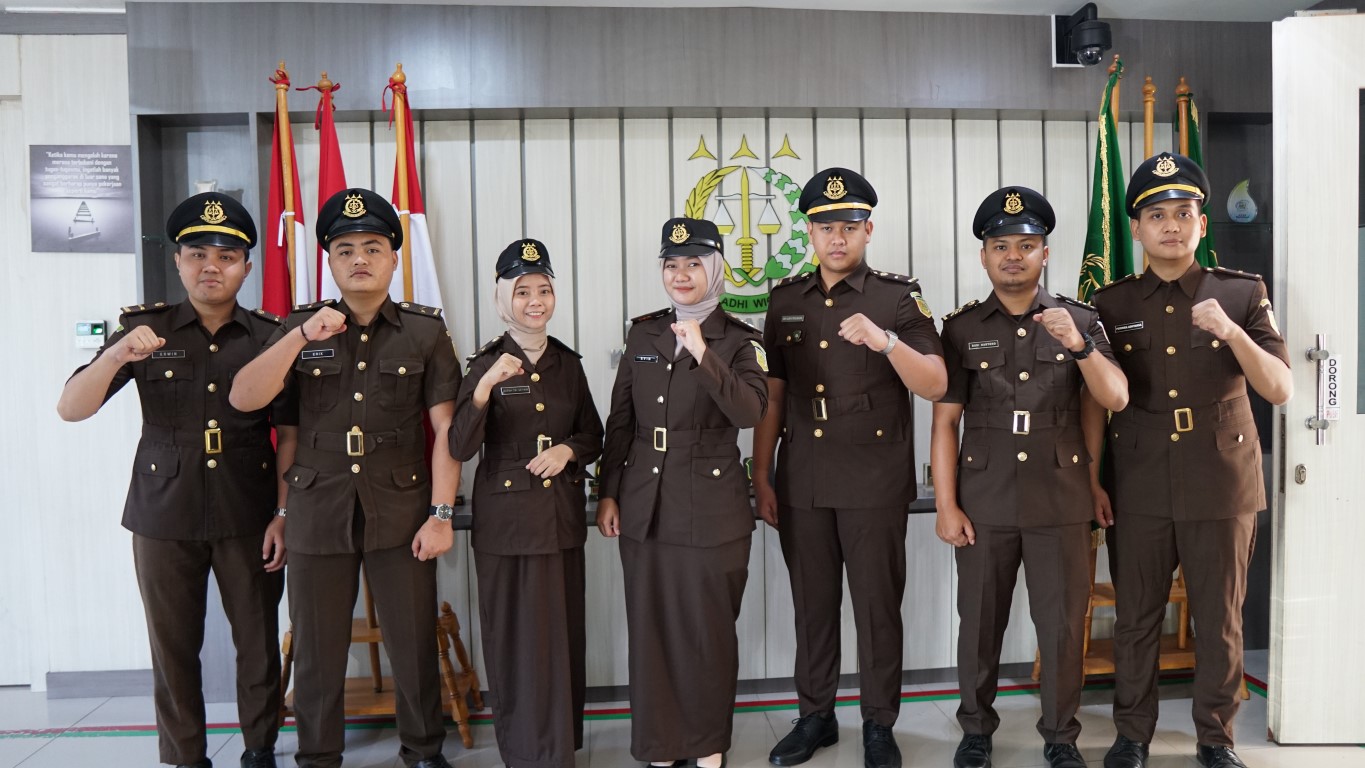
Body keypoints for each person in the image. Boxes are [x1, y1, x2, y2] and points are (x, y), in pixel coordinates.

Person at [229, 187, 462, 768]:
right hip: (316, 508)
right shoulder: (300, 326)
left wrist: (441, 514)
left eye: (373, 247)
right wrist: (282, 513)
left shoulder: (424, 332)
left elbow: (447, 432)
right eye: (345, 249)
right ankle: (317, 756)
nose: (360, 258)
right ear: (329, 262)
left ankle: (424, 752)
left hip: (401, 507)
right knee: (316, 647)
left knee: (412, 640)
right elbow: (257, 408)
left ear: (394, 259)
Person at [57, 193, 290, 768]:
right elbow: (71, 408)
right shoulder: (143, 329)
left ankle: (259, 749)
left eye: (227, 256)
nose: (212, 266)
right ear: (178, 261)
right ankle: (186, 757)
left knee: (257, 641)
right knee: (173, 645)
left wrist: (284, 514)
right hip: (163, 512)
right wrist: (115, 357)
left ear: (247, 267)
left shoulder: (269, 335)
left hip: (248, 508)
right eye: (198, 254)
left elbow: (290, 434)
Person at [1086, 154, 1292, 768]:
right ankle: (1132, 736)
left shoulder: (1242, 292)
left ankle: (1215, 739)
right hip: (1138, 479)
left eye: (1183, 213)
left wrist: (1233, 332)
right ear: (1137, 228)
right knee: (1136, 618)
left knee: (1220, 619)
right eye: (1156, 215)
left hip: (1221, 479)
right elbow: (1096, 398)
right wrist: (1094, 479)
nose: (1171, 225)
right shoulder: (1111, 302)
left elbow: (1280, 387)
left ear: (1202, 223)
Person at [754, 168, 948, 768]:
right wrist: (762, 474)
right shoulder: (785, 299)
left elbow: (936, 383)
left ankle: (878, 723)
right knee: (812, 605)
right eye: (824, 227)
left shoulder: (897, 297)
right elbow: (773, 396)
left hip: (873, 479)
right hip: (804, 477)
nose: (836, 238)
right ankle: (815, 716)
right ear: (809, 233)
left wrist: (887, 342)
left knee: (876, 606)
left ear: (868, 230)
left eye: (848, 226)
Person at [931, 187, 1129, 768]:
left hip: (1060, 496)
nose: (1012, 256)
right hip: (984, 498)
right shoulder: (961, 328)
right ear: (984, 256)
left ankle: (1061, 736)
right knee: (979, 624)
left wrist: (1091, 482)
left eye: (1025, 245)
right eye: (1000, 246)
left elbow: (1107, 403)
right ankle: (975, 731)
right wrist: (946, 504)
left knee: (1062, 626)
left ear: (1045, 253)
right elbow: (945, 423)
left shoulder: (1081, 320)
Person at [596, 217, 768, 768]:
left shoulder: (740, 340)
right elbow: (620, 421)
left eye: (694, 263)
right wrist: (608, 492)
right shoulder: (644, 334)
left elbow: (750, 412)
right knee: (651, 635)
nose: (681, 274)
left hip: (711, 511)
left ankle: (707, 747)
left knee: (706, 635)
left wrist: (702, 353)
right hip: (644, 506)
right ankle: (662, 747)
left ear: (715, 268)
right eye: (672, 265)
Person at [450, 238, 603, 768]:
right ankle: (523, 752)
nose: (535, 301)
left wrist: (568, 450)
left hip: (560, 521)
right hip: (506, 526)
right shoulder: (483, 363)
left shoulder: (567, 363)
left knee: (561, 638)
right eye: (522, 291)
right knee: (515, 641)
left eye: (543, 290)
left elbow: (593, 434)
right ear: (502, 298)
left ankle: (558, 748)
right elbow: (459, 446)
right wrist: (483, 389)